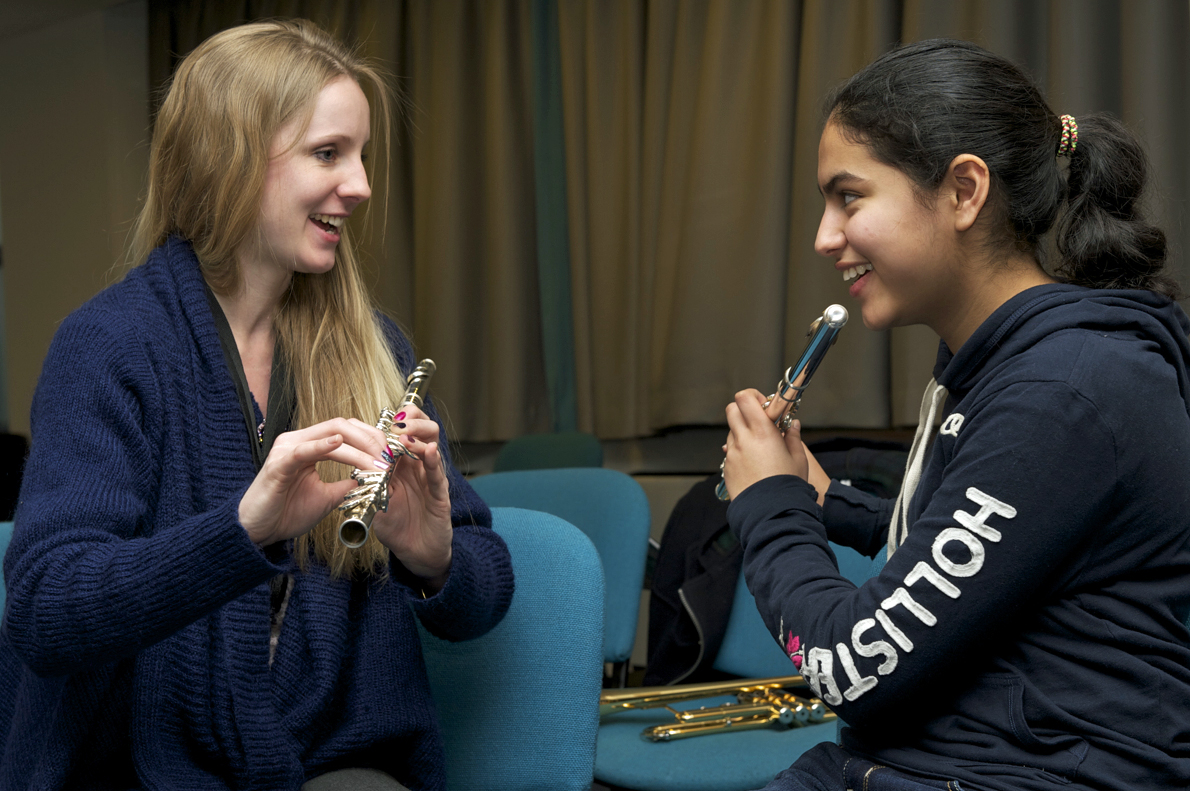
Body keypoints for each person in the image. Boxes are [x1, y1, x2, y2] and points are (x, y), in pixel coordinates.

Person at [0, 19, 514, 791]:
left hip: (331, 760)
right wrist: (243, 531)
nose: (363, 185)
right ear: (230, 160)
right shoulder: (108, 345)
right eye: (328, 153)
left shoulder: (377, 347)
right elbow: (46, 611)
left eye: (363, 154)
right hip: (147, 768)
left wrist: (432, 553)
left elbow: (486, 587)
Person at [722, 38, 1190, 791]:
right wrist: (823, 503)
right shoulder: (1003, 364)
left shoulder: (1063, 390)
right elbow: (990, 556)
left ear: (965, 190)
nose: (823, 236)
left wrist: (770, 506)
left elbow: (851, 666)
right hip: (933, 760)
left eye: (850, 196)